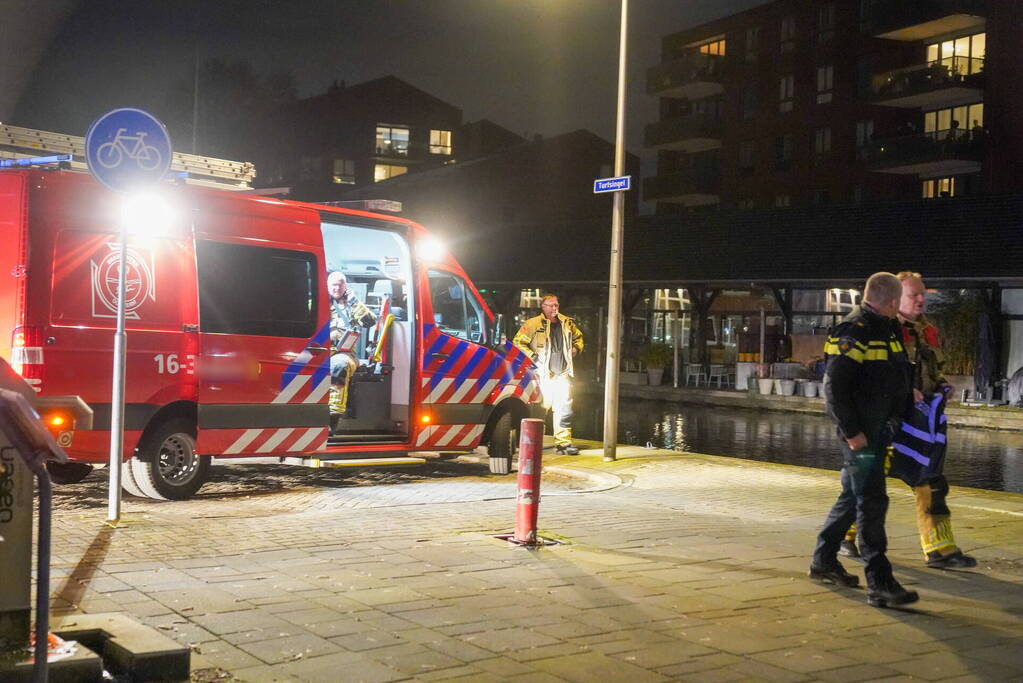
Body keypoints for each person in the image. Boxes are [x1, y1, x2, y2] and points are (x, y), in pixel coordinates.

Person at [841, 272, 977, 569]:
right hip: (886, 420)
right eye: (913, 295)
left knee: (932, 482)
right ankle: (844, 535)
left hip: (921, 422)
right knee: (866, 482)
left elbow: (932, 369)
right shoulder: (877, 329)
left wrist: (942, 386)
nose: (921, 299)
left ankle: (939, 549)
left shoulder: (928, 331)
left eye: (922, 294)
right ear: (894, 299)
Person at [809, 272, 918, 608]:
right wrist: (852, 432)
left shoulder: (885, 328)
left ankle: (823, 561)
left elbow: (890, 376)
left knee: (851, 496)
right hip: (860, 434)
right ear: (890, 300)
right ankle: (879, 582)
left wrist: (903, 403)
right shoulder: (854, 331)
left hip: (878, 429)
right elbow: (834, 388)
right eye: (901, 300)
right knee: (871, 501)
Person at [513, 294, 584, 455]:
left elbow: (579, 337)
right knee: (539, 410)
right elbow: (518, 342)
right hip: (541, 375)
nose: (554, 308)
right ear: (543, 307)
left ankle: (563, 444)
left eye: (556, 305)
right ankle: (533, 443)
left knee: (564, 410)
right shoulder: (531, 324)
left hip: (562, 374)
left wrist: (576, 348)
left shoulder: (567, 323)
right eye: (551, 305)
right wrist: (533, 358)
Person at [327, 271, 376, 418]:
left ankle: (333, 416)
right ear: (327, 286)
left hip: (344, 354)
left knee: (339, 366)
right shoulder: (317, 302)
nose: (336, 288)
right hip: (320, 350)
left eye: (340, 285)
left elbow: (369, 321)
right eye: (333, 285)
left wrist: (354, 302)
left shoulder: (352, 306)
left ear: (345, 287)